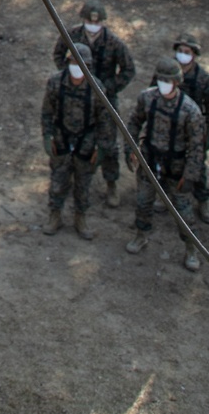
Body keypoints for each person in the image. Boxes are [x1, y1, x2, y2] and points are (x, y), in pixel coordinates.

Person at [125, 56, 205, 271]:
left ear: (177, 82)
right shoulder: (147, 99)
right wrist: (130, 148)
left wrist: (190, 176)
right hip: (149, 162)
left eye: (167, 80)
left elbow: (197, 147)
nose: (163, 84)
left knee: (183, 212)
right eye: (160, 79)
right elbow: (133, 123)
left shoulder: (191, 111)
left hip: (176, 168)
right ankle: (141, 235)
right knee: (143, 202)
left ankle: (191, 248)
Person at [52, 0, 134, 207]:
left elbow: (128, 70)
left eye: (97, 22)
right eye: (89, 20)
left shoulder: (114, 42)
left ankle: (111, 184)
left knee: (108, 144)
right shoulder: (72, 36)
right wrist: (70, 78)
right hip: (77, 99)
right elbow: (58, 54)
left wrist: (109, 87)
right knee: (72, 138)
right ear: (83, 19)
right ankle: (70, 179)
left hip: (104, 99)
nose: (93, 24)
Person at [40, 43, 114, 240]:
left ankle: (80, 219)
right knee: (58, 180)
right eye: (72, 61)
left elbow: (105, 121)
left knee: (83, 183)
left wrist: (101, 147)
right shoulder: (56, 83)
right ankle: (55, 215)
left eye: (80, 62)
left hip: (86, 142)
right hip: (62, 139)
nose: (76, 66)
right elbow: (47, 112)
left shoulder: (97, 88)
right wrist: (48, 137)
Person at [164, 32, 209, 224]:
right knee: (165, 163)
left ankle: (203, 200)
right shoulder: (166, 73)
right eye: (180, 51)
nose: (183, 55)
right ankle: (164, 195)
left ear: (194, 54)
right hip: (168, 128)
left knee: (197, 167)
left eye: (187, 51)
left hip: (194, 131)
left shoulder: (203, 79)